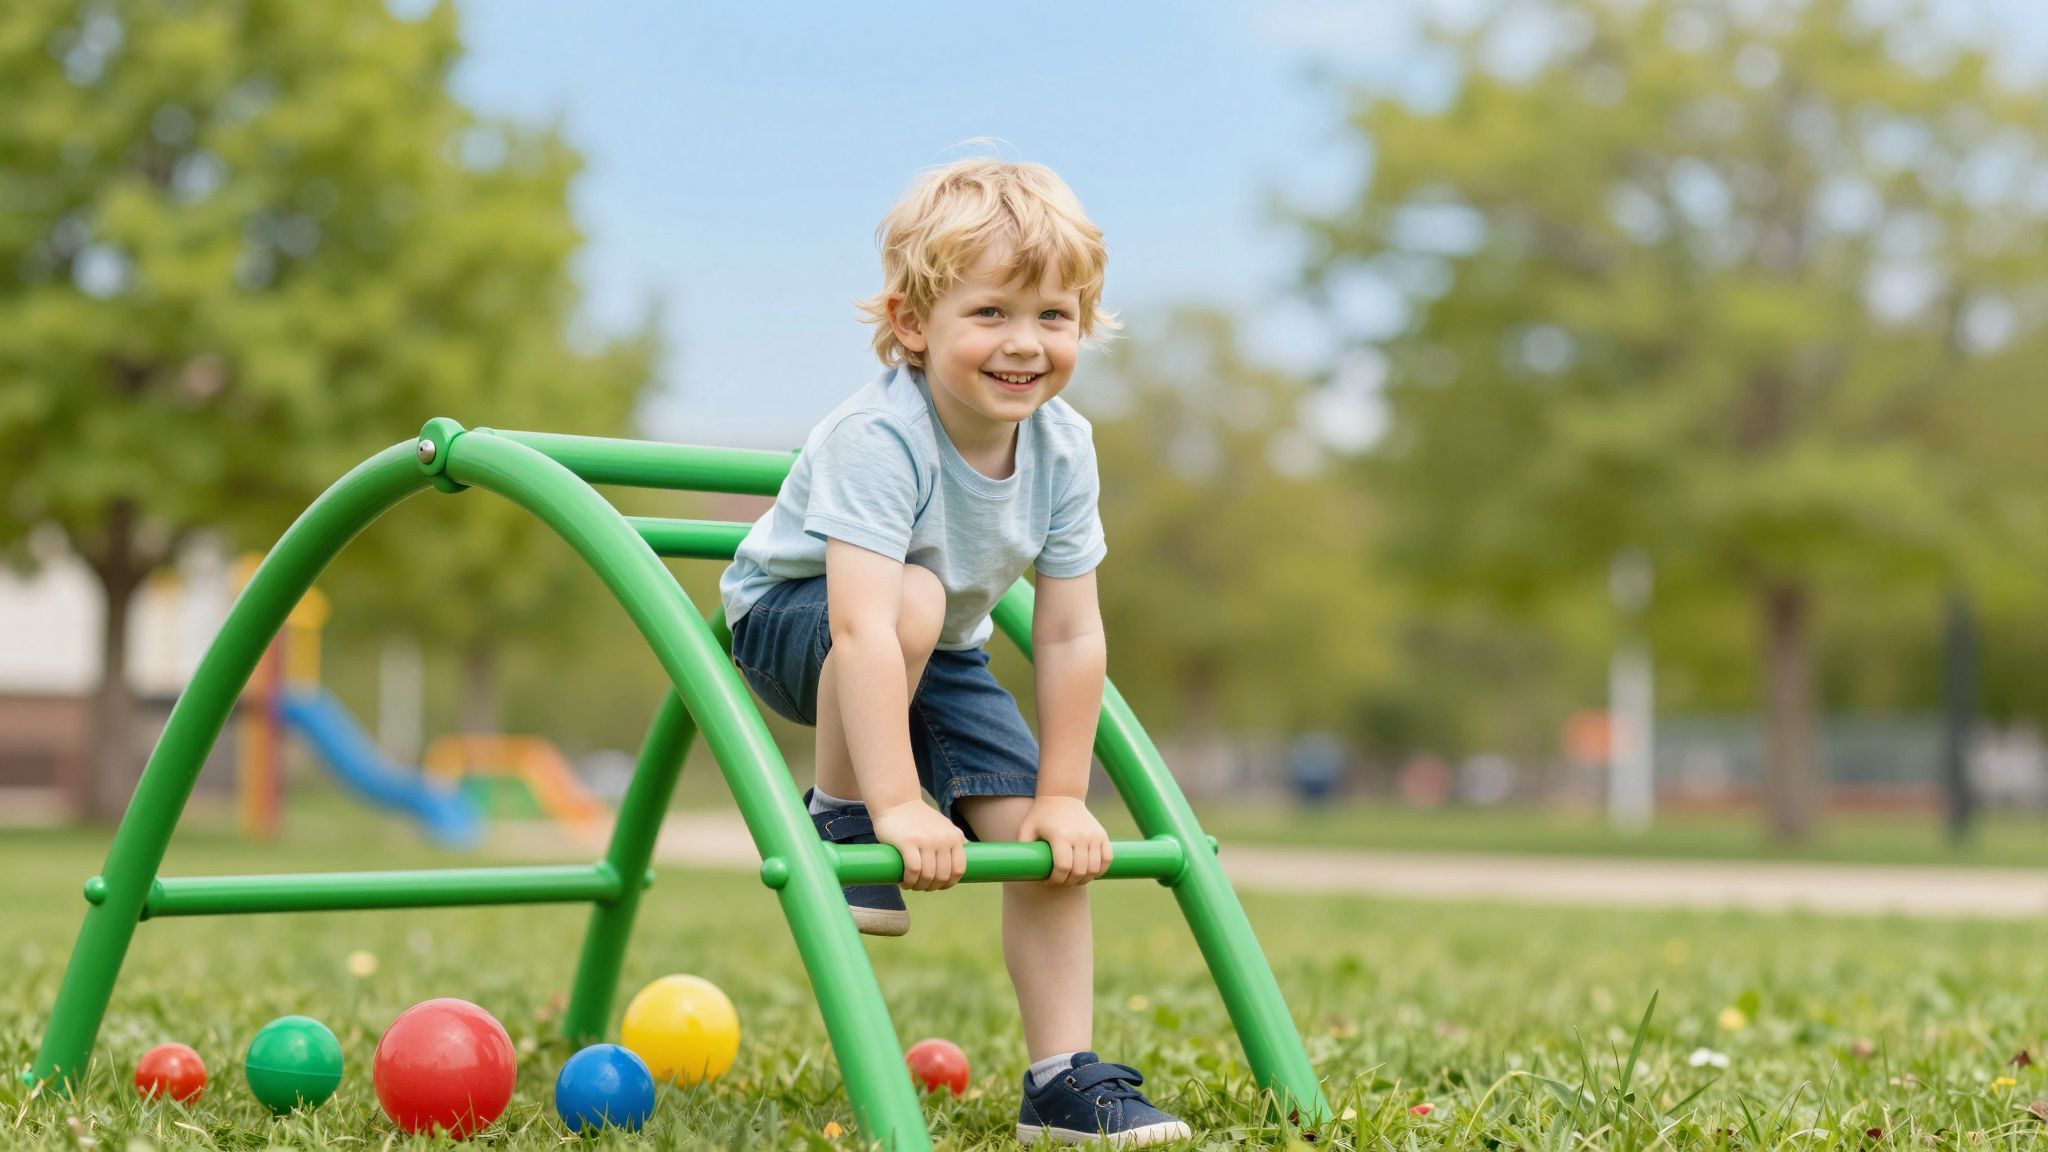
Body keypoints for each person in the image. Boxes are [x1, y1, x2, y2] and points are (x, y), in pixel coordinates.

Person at [718, 155, 1191, 1146]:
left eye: (1052, 317)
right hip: (796, 628)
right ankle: (839, 809)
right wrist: (892, 804)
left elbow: (1068, 631)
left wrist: (1062, 795)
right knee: (915, 593)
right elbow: (858, 625)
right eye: (989, 314)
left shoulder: (1064, 448)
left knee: (1045, 850)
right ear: (909, 325)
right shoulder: (876, 437)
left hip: (934, 652)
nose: (1024, 345)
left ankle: (1060, 1077)